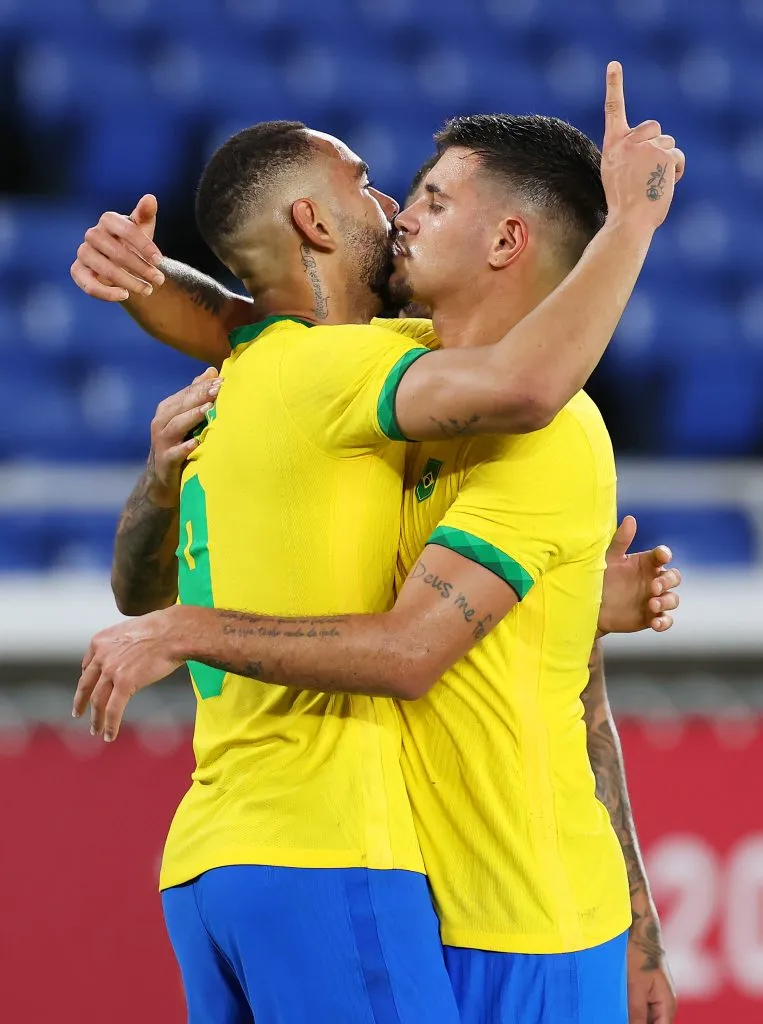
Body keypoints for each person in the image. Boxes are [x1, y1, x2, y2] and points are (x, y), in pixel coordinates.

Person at [73, 66, 681, 1023]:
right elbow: (259, 323)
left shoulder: (543, 430)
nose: (398, 209)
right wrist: (149, 277)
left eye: (432, 198)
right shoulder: (386, 381)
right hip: (411, 897)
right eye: (383, 189)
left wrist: (640, 928)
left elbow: (576, 702)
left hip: (533, 923)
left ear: (505, 239)